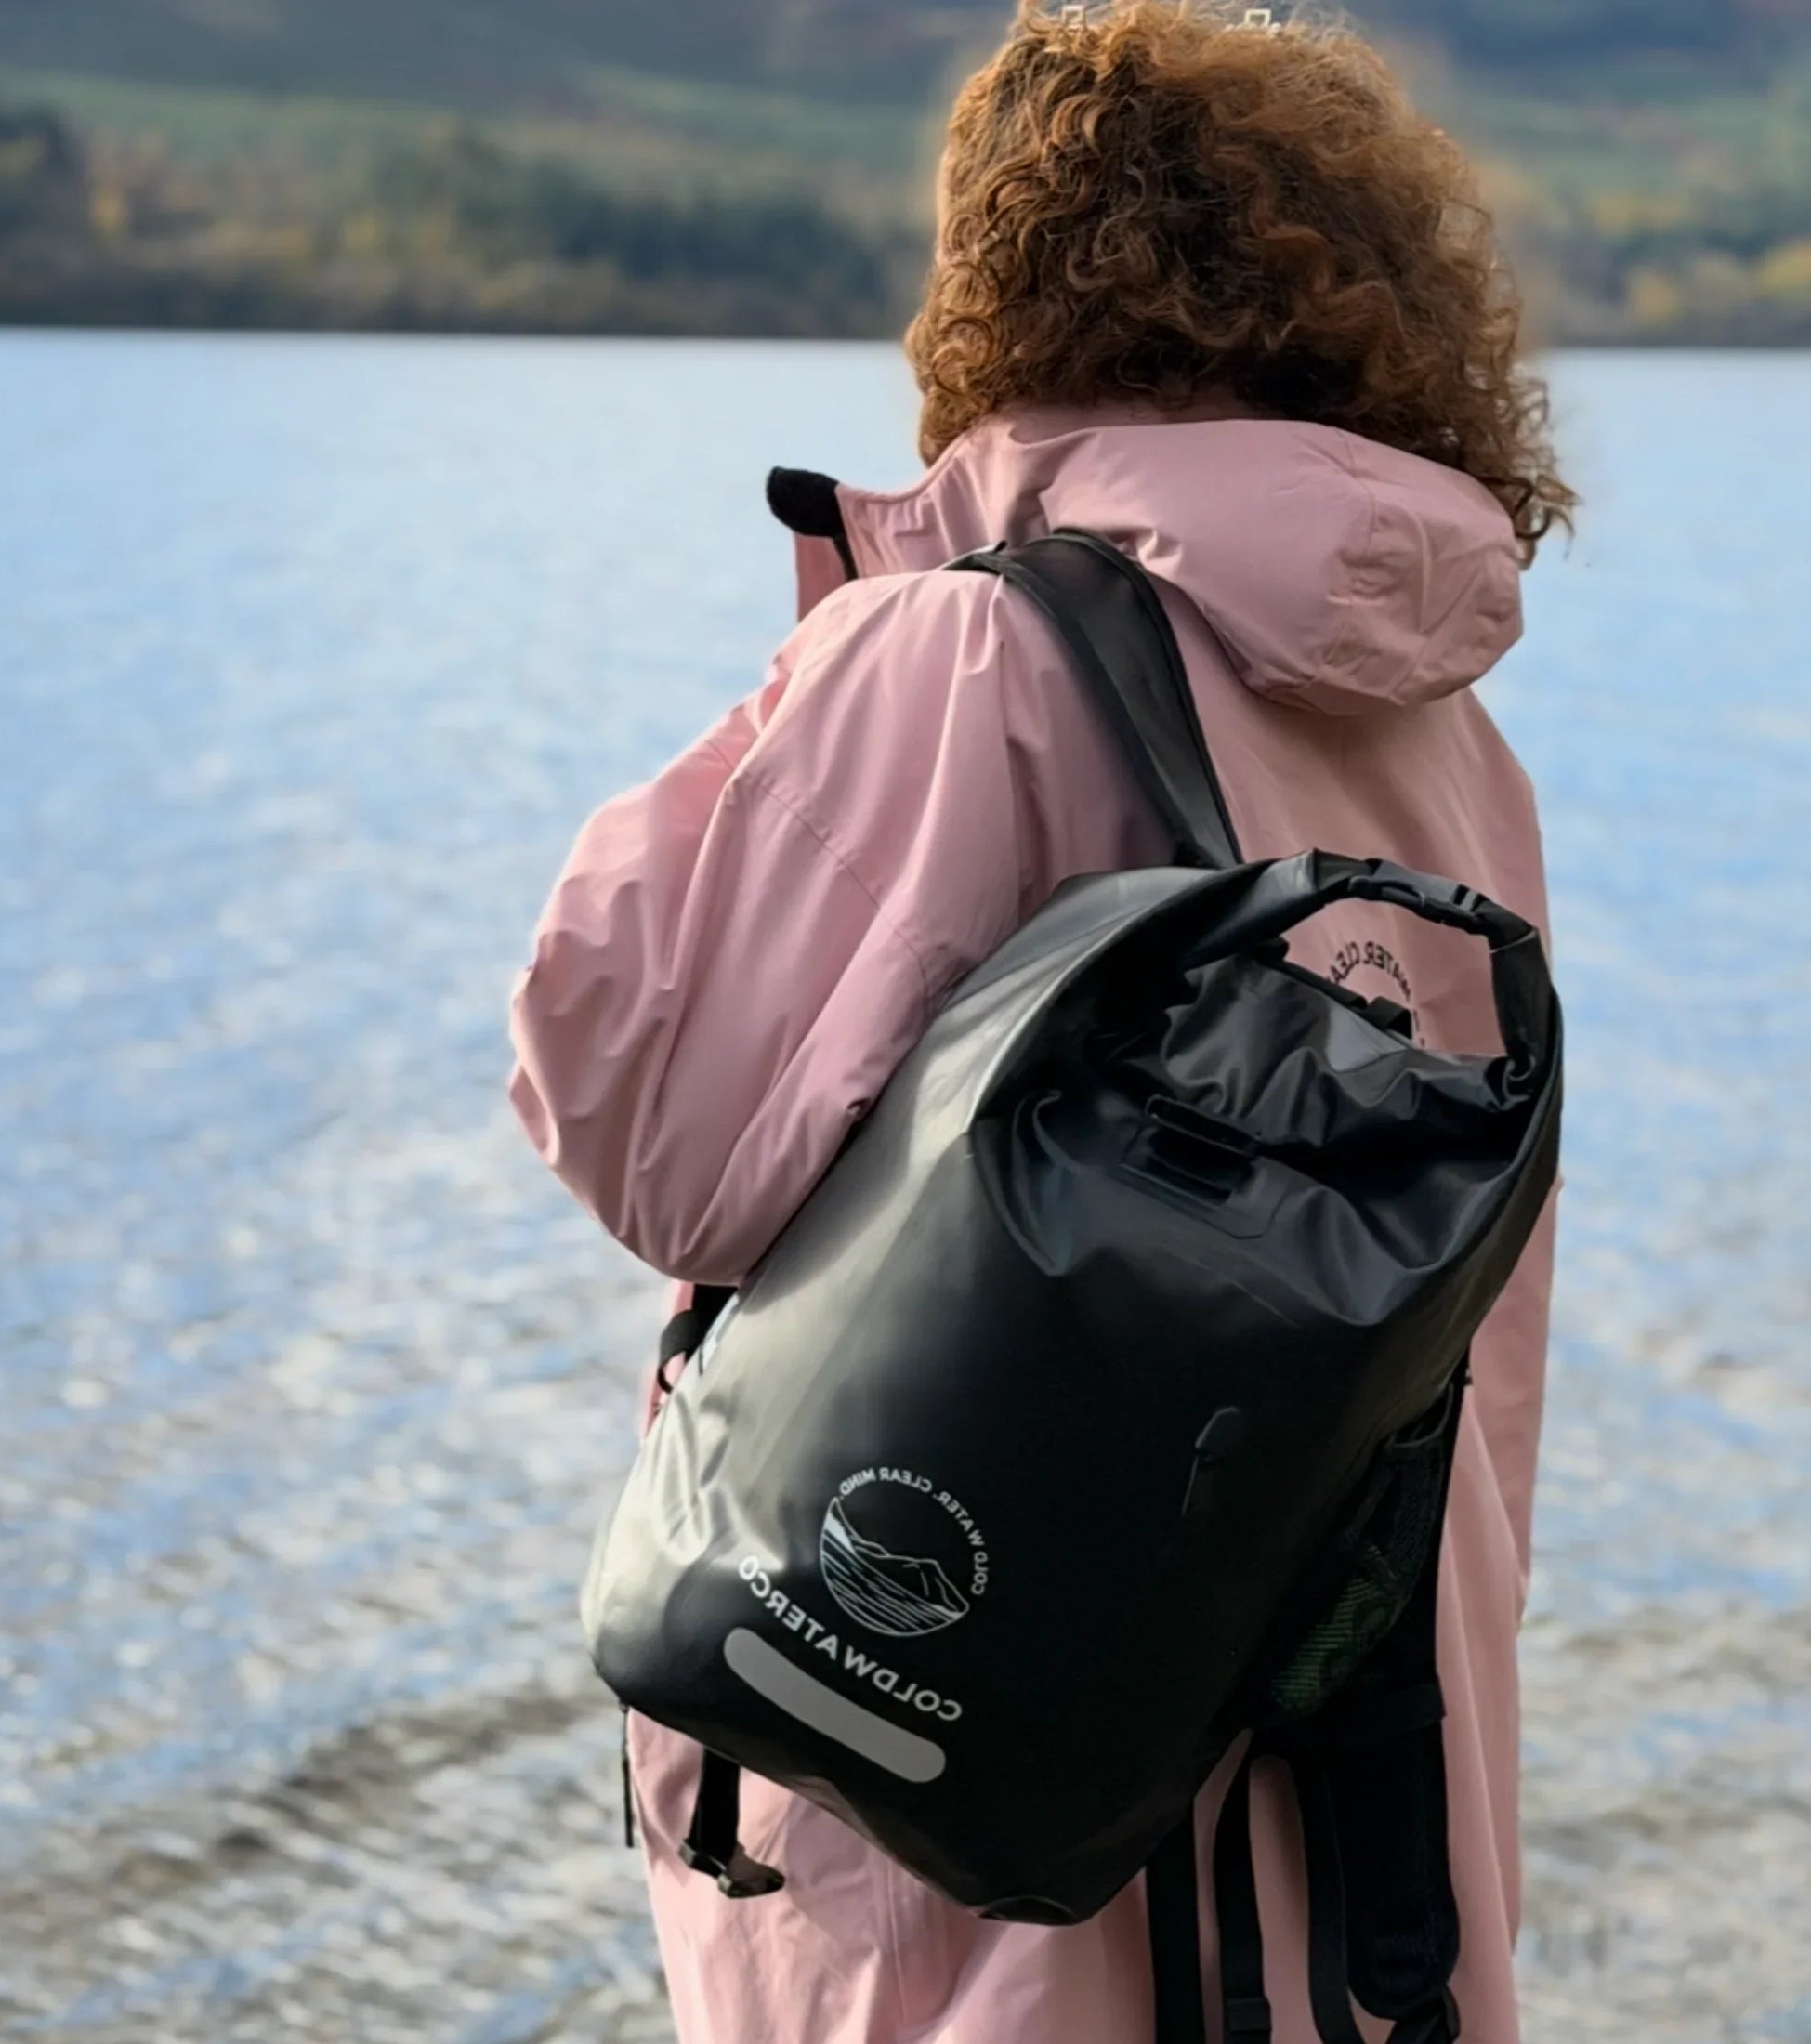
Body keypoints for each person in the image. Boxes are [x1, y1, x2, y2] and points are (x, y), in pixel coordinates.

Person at [508, 3, 1574, 2037]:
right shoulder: (1443, 727)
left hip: (986, 1762)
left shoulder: (977, 648)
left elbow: (636, 1111)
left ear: (999, 274)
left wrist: (827, 664)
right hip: (1354, 1740)